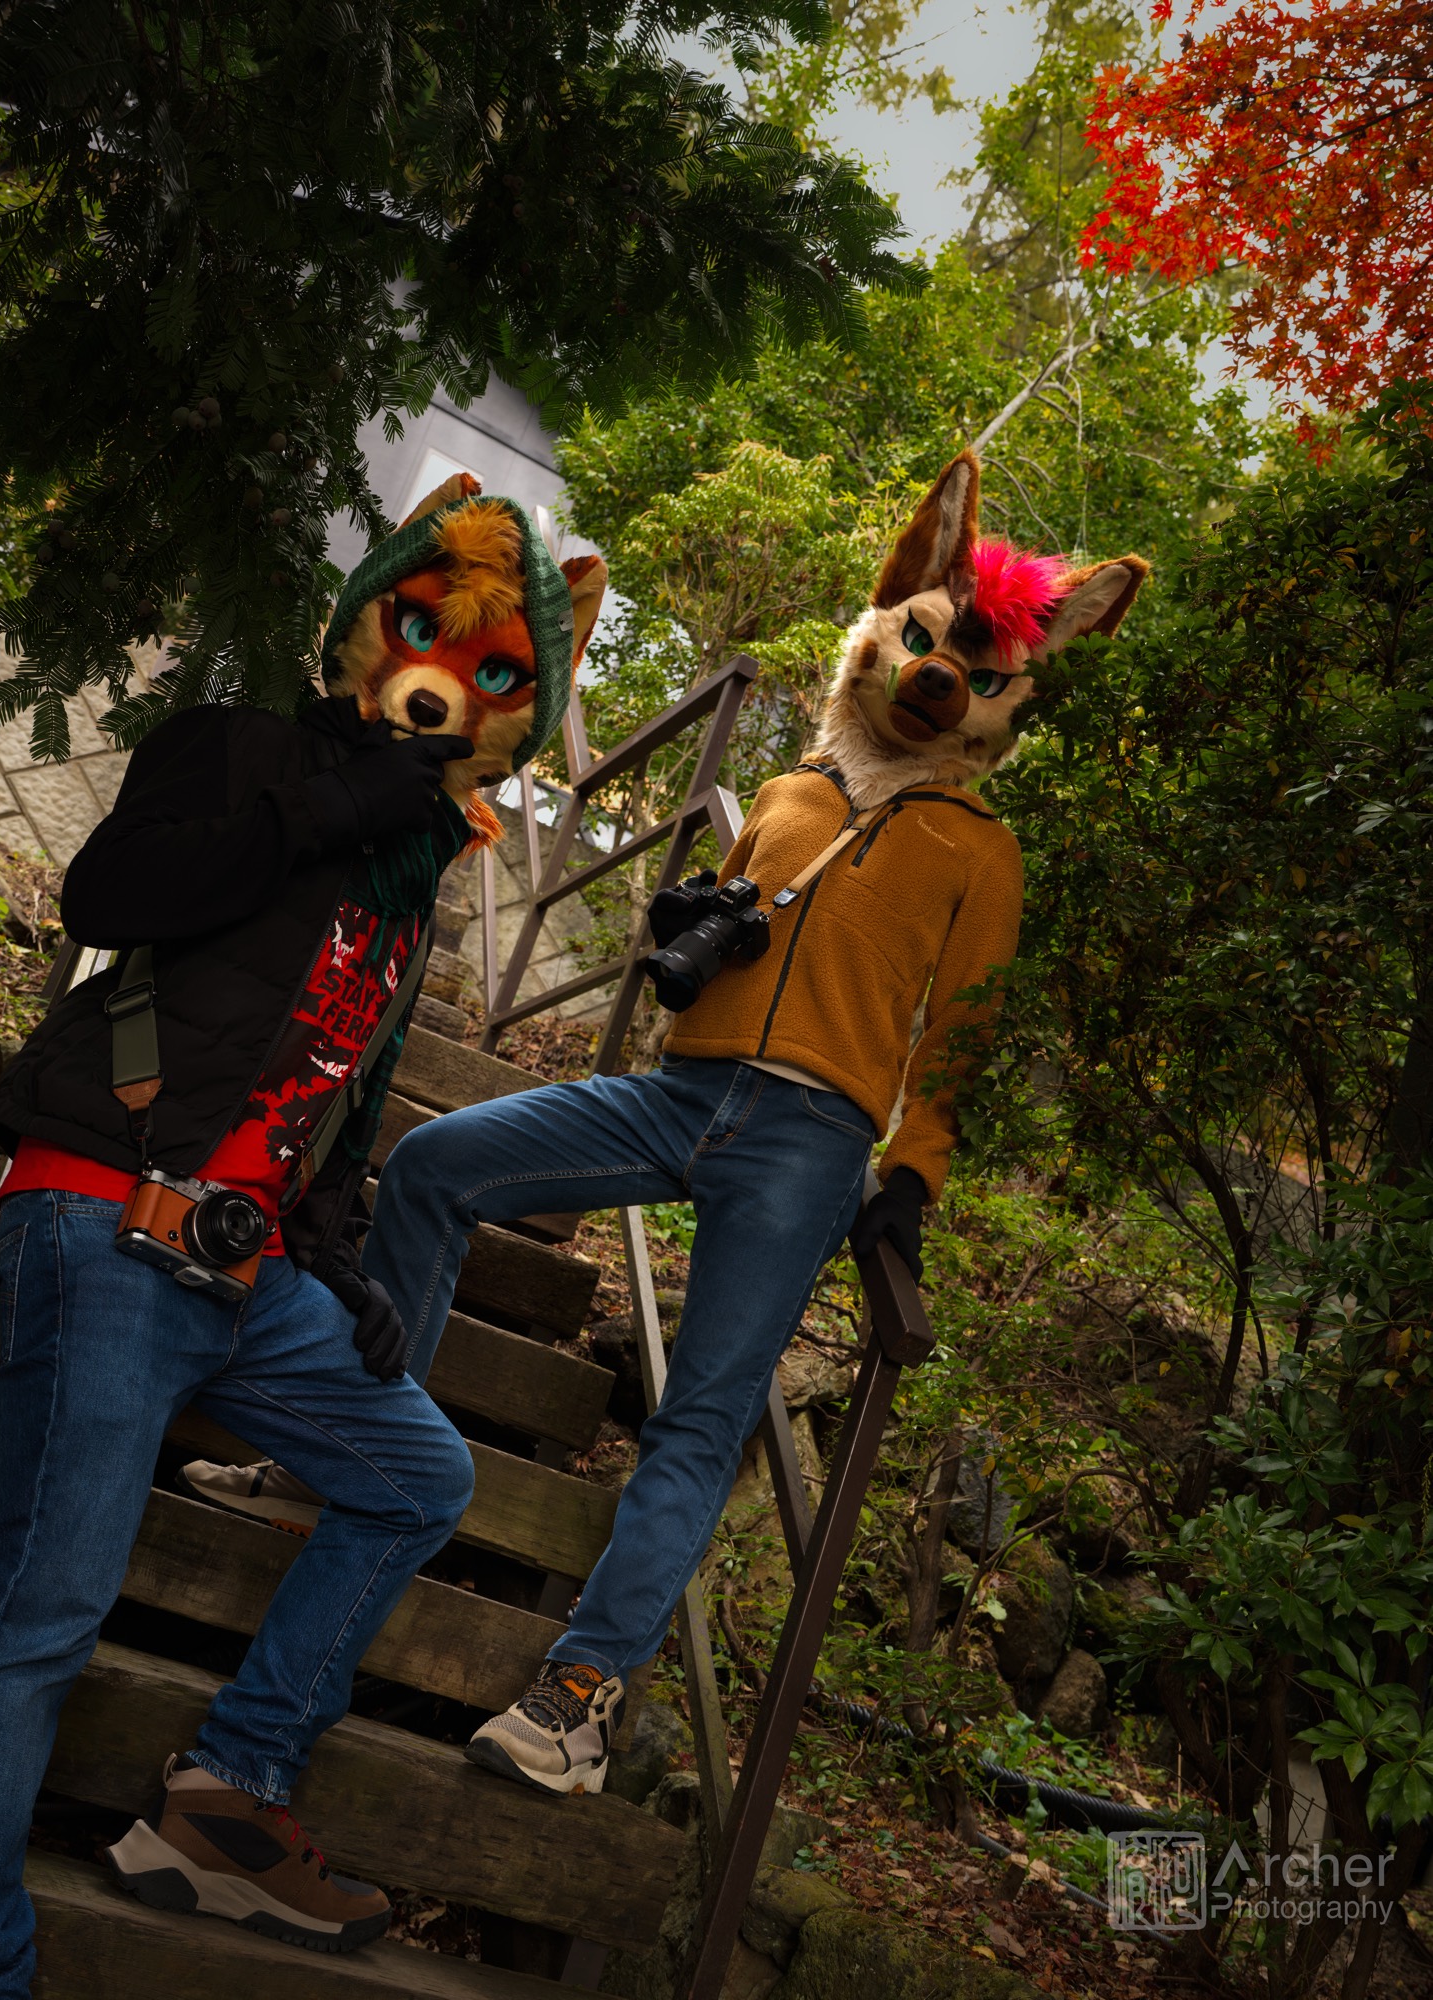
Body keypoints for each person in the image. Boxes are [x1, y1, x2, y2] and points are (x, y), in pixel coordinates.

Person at [367, 452, 1149, 1796]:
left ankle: (579, 1700)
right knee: (435, 1163)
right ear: (883, 635)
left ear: (1003, 698)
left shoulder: (982, 850)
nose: (939, 676)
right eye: (924, 642)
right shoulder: (791, 792)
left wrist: (914, 1175)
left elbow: (961, 1034)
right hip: (682, 1090)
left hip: (808, 1144)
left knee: (701, 1414)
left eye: (974, 669)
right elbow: (716, 927)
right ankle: (355, 1442)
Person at [0, 475, 605, 1996]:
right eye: (423, 633)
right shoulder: (244, 747)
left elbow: (336, 1068)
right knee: (40, 1617)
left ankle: (228, 1794)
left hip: (249, 1267)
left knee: (419, 1477)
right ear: (370, 622)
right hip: (106, 1215)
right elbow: (108, 893)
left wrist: (340, 1248)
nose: (443, 681)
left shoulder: (415, 868)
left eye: (492, 671)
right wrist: (322, 806)